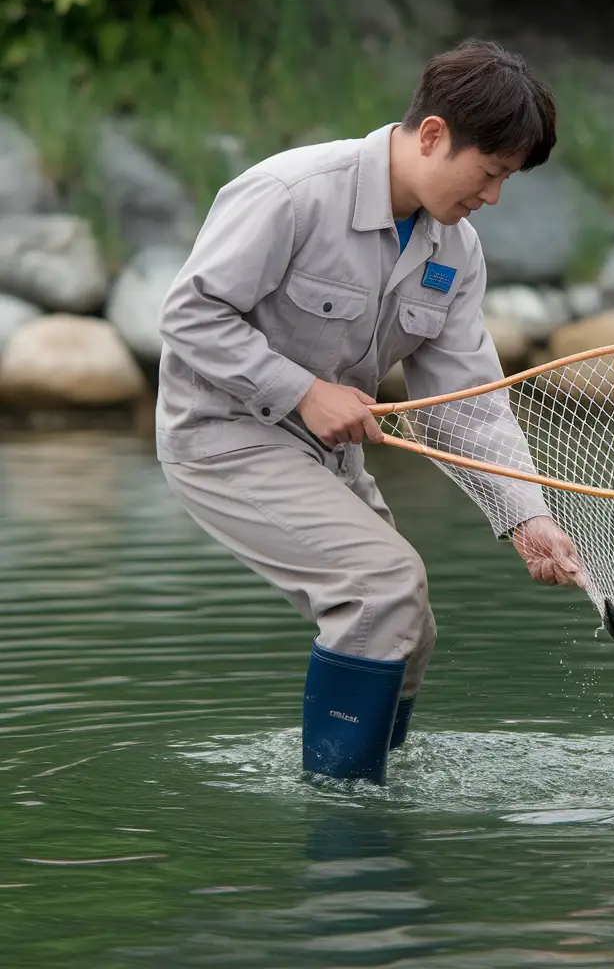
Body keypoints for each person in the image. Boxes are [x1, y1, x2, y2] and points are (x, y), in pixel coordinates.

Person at [155, 38, 585, 787]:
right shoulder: (289, 193)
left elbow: (467, 402)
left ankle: (371, 792)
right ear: (432, 135)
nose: (493, 197)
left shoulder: (458, 249)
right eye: (490, 173)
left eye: (507, 180)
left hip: (326, 457)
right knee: (379, 587)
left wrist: (527, 518)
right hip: (221, 436)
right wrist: (303, 390)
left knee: (407, 625)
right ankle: (342, 820)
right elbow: (189, 315)